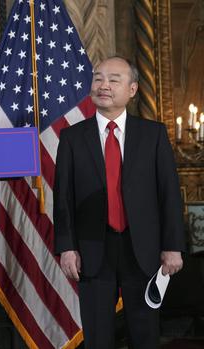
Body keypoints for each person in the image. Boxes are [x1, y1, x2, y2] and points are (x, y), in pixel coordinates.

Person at [54, 56, 185, 348]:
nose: (104, 85)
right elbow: (63, 198)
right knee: (98, 337)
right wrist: (66, 247)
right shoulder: (72, 137)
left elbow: (169, 194)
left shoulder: (153, 134)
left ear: (133, 89)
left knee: (144, 334)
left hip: (143, 250)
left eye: (114, 79)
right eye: (98, 78)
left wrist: (173, 246)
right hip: (92, 250)